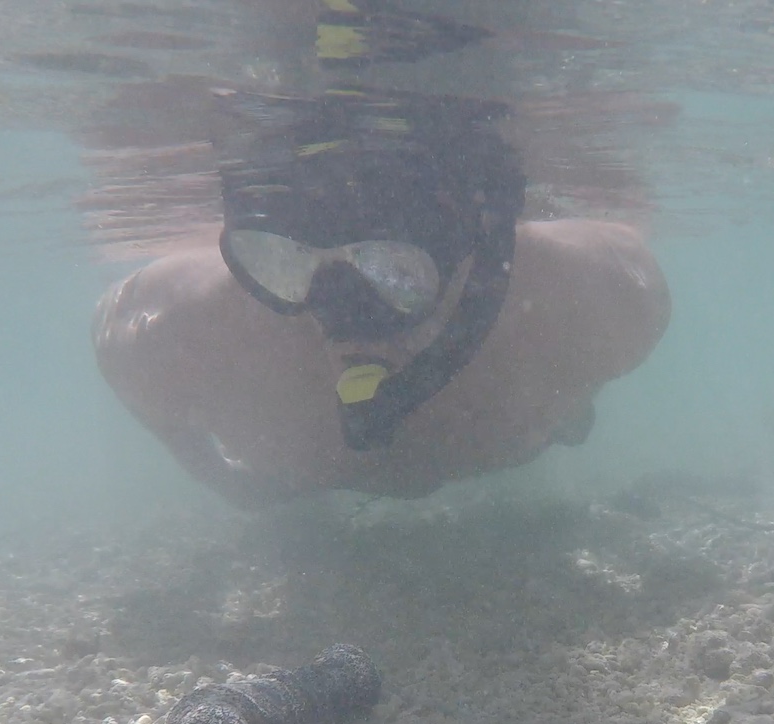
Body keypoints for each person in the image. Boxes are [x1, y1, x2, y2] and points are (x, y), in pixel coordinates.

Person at [91, 9, 671, 508]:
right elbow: (118, 349)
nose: (339, 315)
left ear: (477, 258)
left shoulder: (594, 296)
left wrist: (569, 404)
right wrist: (222, 482)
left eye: (394, 273)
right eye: (282, 264)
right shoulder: (179, 331)